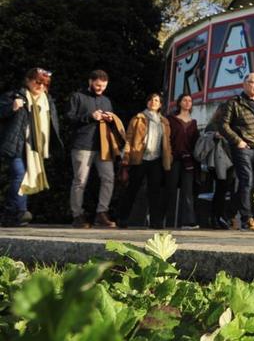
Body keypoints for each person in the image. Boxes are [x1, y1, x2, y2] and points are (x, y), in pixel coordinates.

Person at [0, 68, 63, 226]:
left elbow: (52, 124)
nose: (40, 86)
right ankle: (21, 211)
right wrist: (12, 108)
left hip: (34, 147)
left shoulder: (47, 100)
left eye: (44, 83)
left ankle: (10, 213)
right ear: (28, 80)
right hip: (15, 144)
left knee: (27, 177)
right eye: (37, 82)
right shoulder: (14, 96)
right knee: (20, 176)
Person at [67, 69, 124, 228]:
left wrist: (110, 119)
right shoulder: (77, 97)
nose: (100, 89)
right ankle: (77, 215)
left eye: (103, 86)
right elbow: (69, 119)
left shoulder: (106, 101)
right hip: (82, 145)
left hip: (103, 146)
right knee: (80, 181)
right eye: (98, 85)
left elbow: (112, 125)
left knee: (109, 178)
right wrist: (90, 117)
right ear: (90, 82)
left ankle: (102, 213)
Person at [217, 73, 254, 232]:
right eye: (252, 83)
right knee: (246, 180)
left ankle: (228, 215)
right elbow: (223, 126)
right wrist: (238, 141)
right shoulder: (234, 102)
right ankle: (247, 218)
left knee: (252, 184)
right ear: (244, 84)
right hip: (242, 148)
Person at [117, 93, 172, 229]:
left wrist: (168, 158)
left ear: (160, 104)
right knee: (132, 189)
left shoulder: (164, 121)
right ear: (147, 102)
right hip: (139, 158)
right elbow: (129, 138)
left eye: (156, 100)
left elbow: (167, 142)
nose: (153, 102)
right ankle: (122, 218)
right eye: (151, 100)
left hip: (156, 159)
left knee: (155, 192)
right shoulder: (138, 118)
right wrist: (126, 157)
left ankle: (155, 221)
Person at [166, 93, 200, 229]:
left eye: (190, 101)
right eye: (185, 100)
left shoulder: (194, 123)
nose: (187, 102)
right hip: (174, 158)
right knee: (171, 189)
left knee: (187, 190)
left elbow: (196, 143)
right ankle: (168, 221)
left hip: (188, 161)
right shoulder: (171, 120)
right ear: (179, 102)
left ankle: (188, 221)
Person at [194, 115, 234, 229]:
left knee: (226, 190)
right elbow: (207, 141)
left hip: (231, 161)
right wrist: (215, 136)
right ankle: (216, 217)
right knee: (220, 190)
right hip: (217, 162)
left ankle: (221, 217)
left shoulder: (233, 125)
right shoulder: (214, 125)